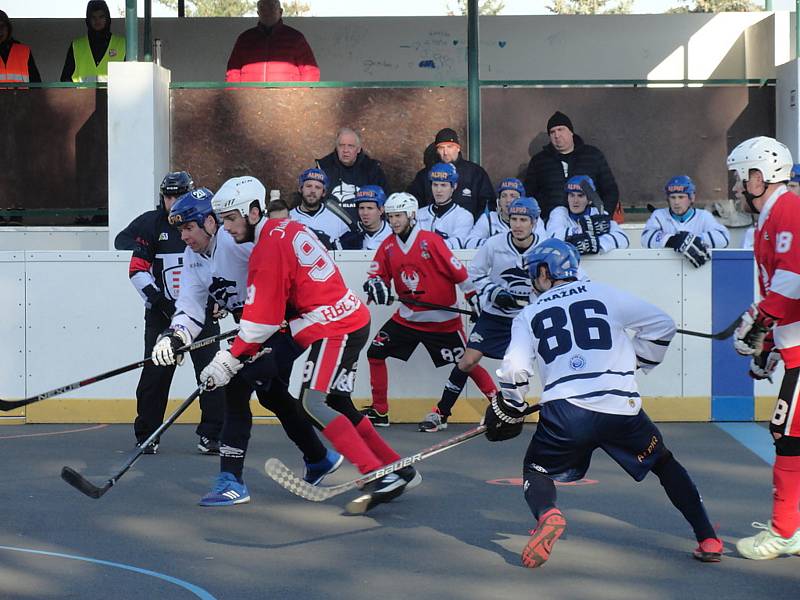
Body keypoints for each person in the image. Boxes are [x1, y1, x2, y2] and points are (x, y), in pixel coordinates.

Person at [486, 238, 723, 568]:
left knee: (536, 469)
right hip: (620, 409)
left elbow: (513, 370)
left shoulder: (529, 314)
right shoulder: (604, 293)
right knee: (665, 464)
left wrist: (512, 404)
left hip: (565, 413)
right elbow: (662, 325)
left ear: (544, 272)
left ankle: (548, 514)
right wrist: (637, 362)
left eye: (533, 273)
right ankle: (707, 536)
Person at [198, 194, 420, 515]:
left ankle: (375, 474)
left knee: (311, 403)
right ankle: (396, 466)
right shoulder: (285, 227)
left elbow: (264, 320)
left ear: (254, 211)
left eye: (232, 218)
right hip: (344, 316)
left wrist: (228, 358)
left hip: (332, 325)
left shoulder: (265, 248)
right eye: (223, 220)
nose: (227, 227)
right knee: (336, 402)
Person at [152, 180, 341, 506]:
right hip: (257, 326)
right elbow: (192, 307)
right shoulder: (193, 255)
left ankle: (231, 480)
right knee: (271, 393)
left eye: (188, 228)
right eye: (180, 230)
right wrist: (175, 336)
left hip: (286, 323)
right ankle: (318, 456)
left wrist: (240, 348)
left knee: (238, 385)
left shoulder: (239, 241)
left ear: (210, 222)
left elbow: (281, 271)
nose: (183, 236)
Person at [360, 192, 497, 431]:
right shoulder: (388, 245)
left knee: (467, 363)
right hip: (407, 318)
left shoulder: (430, 241)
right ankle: (380, 410)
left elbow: (459, 273)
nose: (394, 221)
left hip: (441, 322)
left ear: (411, 215)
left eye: (399, 216)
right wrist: (375, 284)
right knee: (375, 352)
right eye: (391, 216)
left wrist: (472, 296)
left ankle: (499, 405)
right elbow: (376, 275)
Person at [114, 172, 224, 455]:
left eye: (178, 195)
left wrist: (221, 299)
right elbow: (137, 270)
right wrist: (160, 302)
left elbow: (220, 270)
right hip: (162, 314)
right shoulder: (151, 224)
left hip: (202, 314)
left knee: (212, 374)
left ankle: (212, 434)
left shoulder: (206, 225)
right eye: (168, 196)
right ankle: (148, 433)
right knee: (154, 376)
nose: (172, 201)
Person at [727, 136, 800, 559]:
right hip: (794, 352)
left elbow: (793, 280)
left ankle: (784, 530)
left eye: (740, 178)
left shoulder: (788, 209)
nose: (736, 188)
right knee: (789, 436)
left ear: (759, 176)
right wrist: (768, 345)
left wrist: (758, 326)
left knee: (787, 436)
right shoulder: (771, 218)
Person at [434, 197, 544, 433]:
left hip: (526, 321)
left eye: (524, 220)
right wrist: (494, 292)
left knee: (530, 366)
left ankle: (518, 414)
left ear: (534, 222)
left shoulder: (545, 246)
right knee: (467, 361)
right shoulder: (494, 244)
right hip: (494, 316)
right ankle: (441, 413)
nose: (518, 225)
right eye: (514, 219)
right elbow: (474, 272)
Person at [524, 111, 619, 221]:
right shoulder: (539, 161)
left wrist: (603, 217)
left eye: (561, 129)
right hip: (550, 225)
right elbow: (528, 195)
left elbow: (610, 190)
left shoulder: (593, 155)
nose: (557, 135)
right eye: (552, 132)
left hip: (590, 222)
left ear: (571, 132)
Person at [641, 175, 730, 268]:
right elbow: (645, 239)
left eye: (681, 197)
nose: (676, 202)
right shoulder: (659, 215)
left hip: (698, 272)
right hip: (665, 270)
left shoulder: (703, 216)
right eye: (673, 197)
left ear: (691, 198)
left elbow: (724, 238)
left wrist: (691, 240)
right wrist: (673, 240)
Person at [406, 128, 494, 221]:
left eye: (450, 147)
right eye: (441, 148)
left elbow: (488, 206)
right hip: (433, 231)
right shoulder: (425, 175)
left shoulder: (475, 173)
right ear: (437, 150)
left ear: (458, 148)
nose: (445, 152)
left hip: (469, 231)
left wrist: (476, 230)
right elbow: (413, 204)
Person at [225, 0, 319, 82]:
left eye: (271, 6)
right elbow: (233, 72)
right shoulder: (244, 39)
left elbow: (310, 71)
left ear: (281, 12)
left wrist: (301, 96)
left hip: (288, 100)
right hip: (249, 100)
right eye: (262, 8)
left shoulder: (296, 38)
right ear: (258, 13)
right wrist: (237, 96)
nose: (267, 11)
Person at [315, 128, 388, 221]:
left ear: (358, 149)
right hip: (329, 226)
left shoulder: (372, 169)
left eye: (350, 146)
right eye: (341, 145)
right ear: (336, 148)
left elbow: (385, 202)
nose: (345, 150)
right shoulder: (323, 167)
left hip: (365, 228)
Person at [546, 175, 629, 255]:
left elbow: (623, 238)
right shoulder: (559, 212)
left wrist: (594, 243)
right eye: (571, 195)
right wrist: (583, 229)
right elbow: (552, 237)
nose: (575, 201)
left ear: (589, 200)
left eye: (580, 196)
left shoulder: (599, 214)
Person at [465, 177, 546, 248]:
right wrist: (498, 245)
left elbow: (543, 243)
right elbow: (470, 242)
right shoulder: (489, 218)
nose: (508, 200)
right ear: (499, 201)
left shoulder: (534, 219)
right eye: (504, 196)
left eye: (513, 196)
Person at [60, 1, 125, 83]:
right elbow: (65, 80)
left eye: (101, 17)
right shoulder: (76, 46)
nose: (97, 21)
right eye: (93, 17)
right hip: (81, 96)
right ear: (88, 20)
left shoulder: (122, 44)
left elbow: (131, 79)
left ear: (107, 19)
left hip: (114, 96)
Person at [415, 162, 475, 250]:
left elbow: (456, 245)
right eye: (435, 185)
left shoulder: (464, 216)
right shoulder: (419, 214)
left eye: (443, 185)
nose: (438, 190)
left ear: (454, 186)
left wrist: (428, 245)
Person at [289, 168, 351, 250]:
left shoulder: (337, 218)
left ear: (324, 192)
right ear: (300, 189)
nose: (313, 191)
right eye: (308, 186)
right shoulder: (289, 217)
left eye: (317, 187)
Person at [338, 185, 392, 250]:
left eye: (370, 208)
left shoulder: (393, 233)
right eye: (361, 208)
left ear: (381, 210)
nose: (365, 213)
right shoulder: (348, 235)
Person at [0, 10, 41, 83]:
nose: (0, 30)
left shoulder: (24, 51)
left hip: (21, 95)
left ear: (8, 28)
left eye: (2, 26)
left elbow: (36, 86)